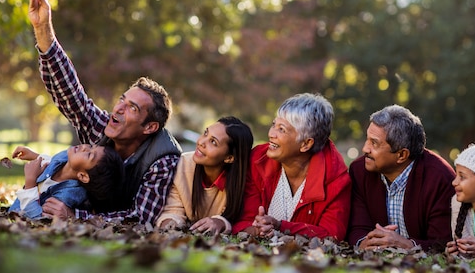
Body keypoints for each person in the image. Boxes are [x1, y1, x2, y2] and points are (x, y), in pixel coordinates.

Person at [28, 0, 182, 225]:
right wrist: (42, 27)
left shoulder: (163, 160)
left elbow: (141, 216)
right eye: (122, 99)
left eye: (132, 108)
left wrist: (76, 216)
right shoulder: (105, 128)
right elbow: (70, 92)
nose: (118, 108)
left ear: (149, 127)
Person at [232, 93, 351, 241]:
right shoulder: (258, 160)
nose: (271, 134)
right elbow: (242, 220)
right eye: (273, 125)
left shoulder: (336, 179)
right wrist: (258, 229)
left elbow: (332, 234)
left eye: (281, 129)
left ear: (306, 144)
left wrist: (281, 226)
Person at [347, 104, 455, 251]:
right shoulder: (359, 170)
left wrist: (408, 245)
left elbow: (443, 241)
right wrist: (363, 242)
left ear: (402, 155)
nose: (365, 149)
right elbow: (356, 227)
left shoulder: (440, 178)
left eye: (374, 143)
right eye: (367, 139)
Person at [156, 116, 254, 235]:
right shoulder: (181, 165)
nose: (201, 142)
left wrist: (221, 222)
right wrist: (171, 224)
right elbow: (173, 210)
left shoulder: (242, 181)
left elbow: (245, 220)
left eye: (213, 142)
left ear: (229, 158)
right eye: (205, 133)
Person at [8, 144, 124, 219]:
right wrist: (35, 156)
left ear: (83, 176)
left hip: (19, 217)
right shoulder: (66, 156)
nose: (84, 147)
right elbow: (53, 161)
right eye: (91, 146)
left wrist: (30, 182)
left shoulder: (68, 194)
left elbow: (37, 217)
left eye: (89, 154)